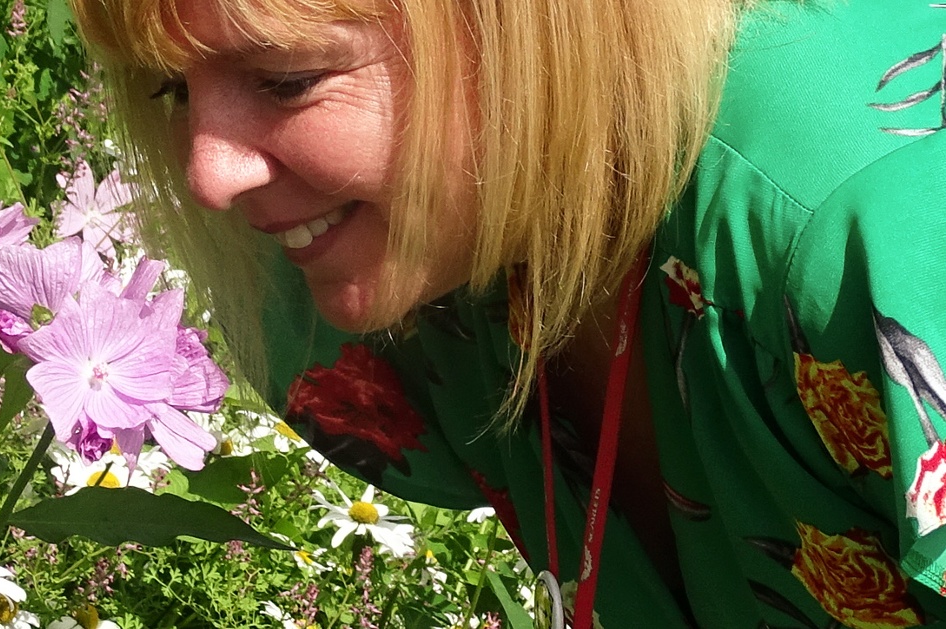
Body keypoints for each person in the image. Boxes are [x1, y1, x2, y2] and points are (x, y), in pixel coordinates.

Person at [68, 0, 946, 626]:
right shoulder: (426, 254)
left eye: (287, 79)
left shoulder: (861, 228)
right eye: (172, 91)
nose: (207, 176)